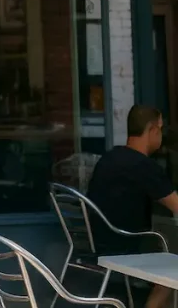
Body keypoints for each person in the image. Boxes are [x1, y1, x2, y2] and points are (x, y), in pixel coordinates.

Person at [87, 105, 178, 308]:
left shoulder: (110, 158)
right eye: (161, 129)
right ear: (153, 129)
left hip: (98, 241)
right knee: (173, 272)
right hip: (124, 246)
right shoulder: (143, 166)